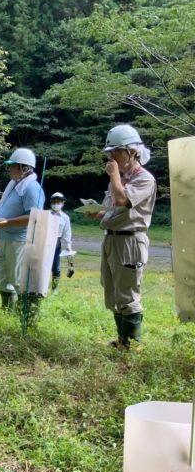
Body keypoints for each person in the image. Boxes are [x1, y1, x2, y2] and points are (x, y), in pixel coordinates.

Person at [87, 124, 156, 350]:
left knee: (127, 294)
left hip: (130, 240)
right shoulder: (121, 177)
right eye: (109, 152)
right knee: (112, 291)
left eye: (116, 151)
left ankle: (133, 345)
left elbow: (121, 201)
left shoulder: (144, 178)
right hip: (111, 238)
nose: (111, 156)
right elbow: (111, 206)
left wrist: (114, 174)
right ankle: (122, 340)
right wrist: (96, 212)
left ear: (132, 151)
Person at [0, 148, 45, 312]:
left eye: (12, 166)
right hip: (5, 237)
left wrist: (7, 222)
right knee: (2, 274)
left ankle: (23, 313)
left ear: (23, 168)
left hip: (19, 240)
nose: (9, 169)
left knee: (17, 277)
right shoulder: (15, 186)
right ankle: (6, 309)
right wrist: (1, 232)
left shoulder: (32, 188)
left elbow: (34, 217)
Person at [49, 192, 72, 295]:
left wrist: (68, 246)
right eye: (54, 202)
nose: (56, 204)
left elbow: (67, 232)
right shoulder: (46, 214)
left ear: (63, 203)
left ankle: (54, 290)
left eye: (58, 202)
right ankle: (42, 287)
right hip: (45, 240)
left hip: (57, 242)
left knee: (56, 267)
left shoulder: (65, 217)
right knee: (43, 266)